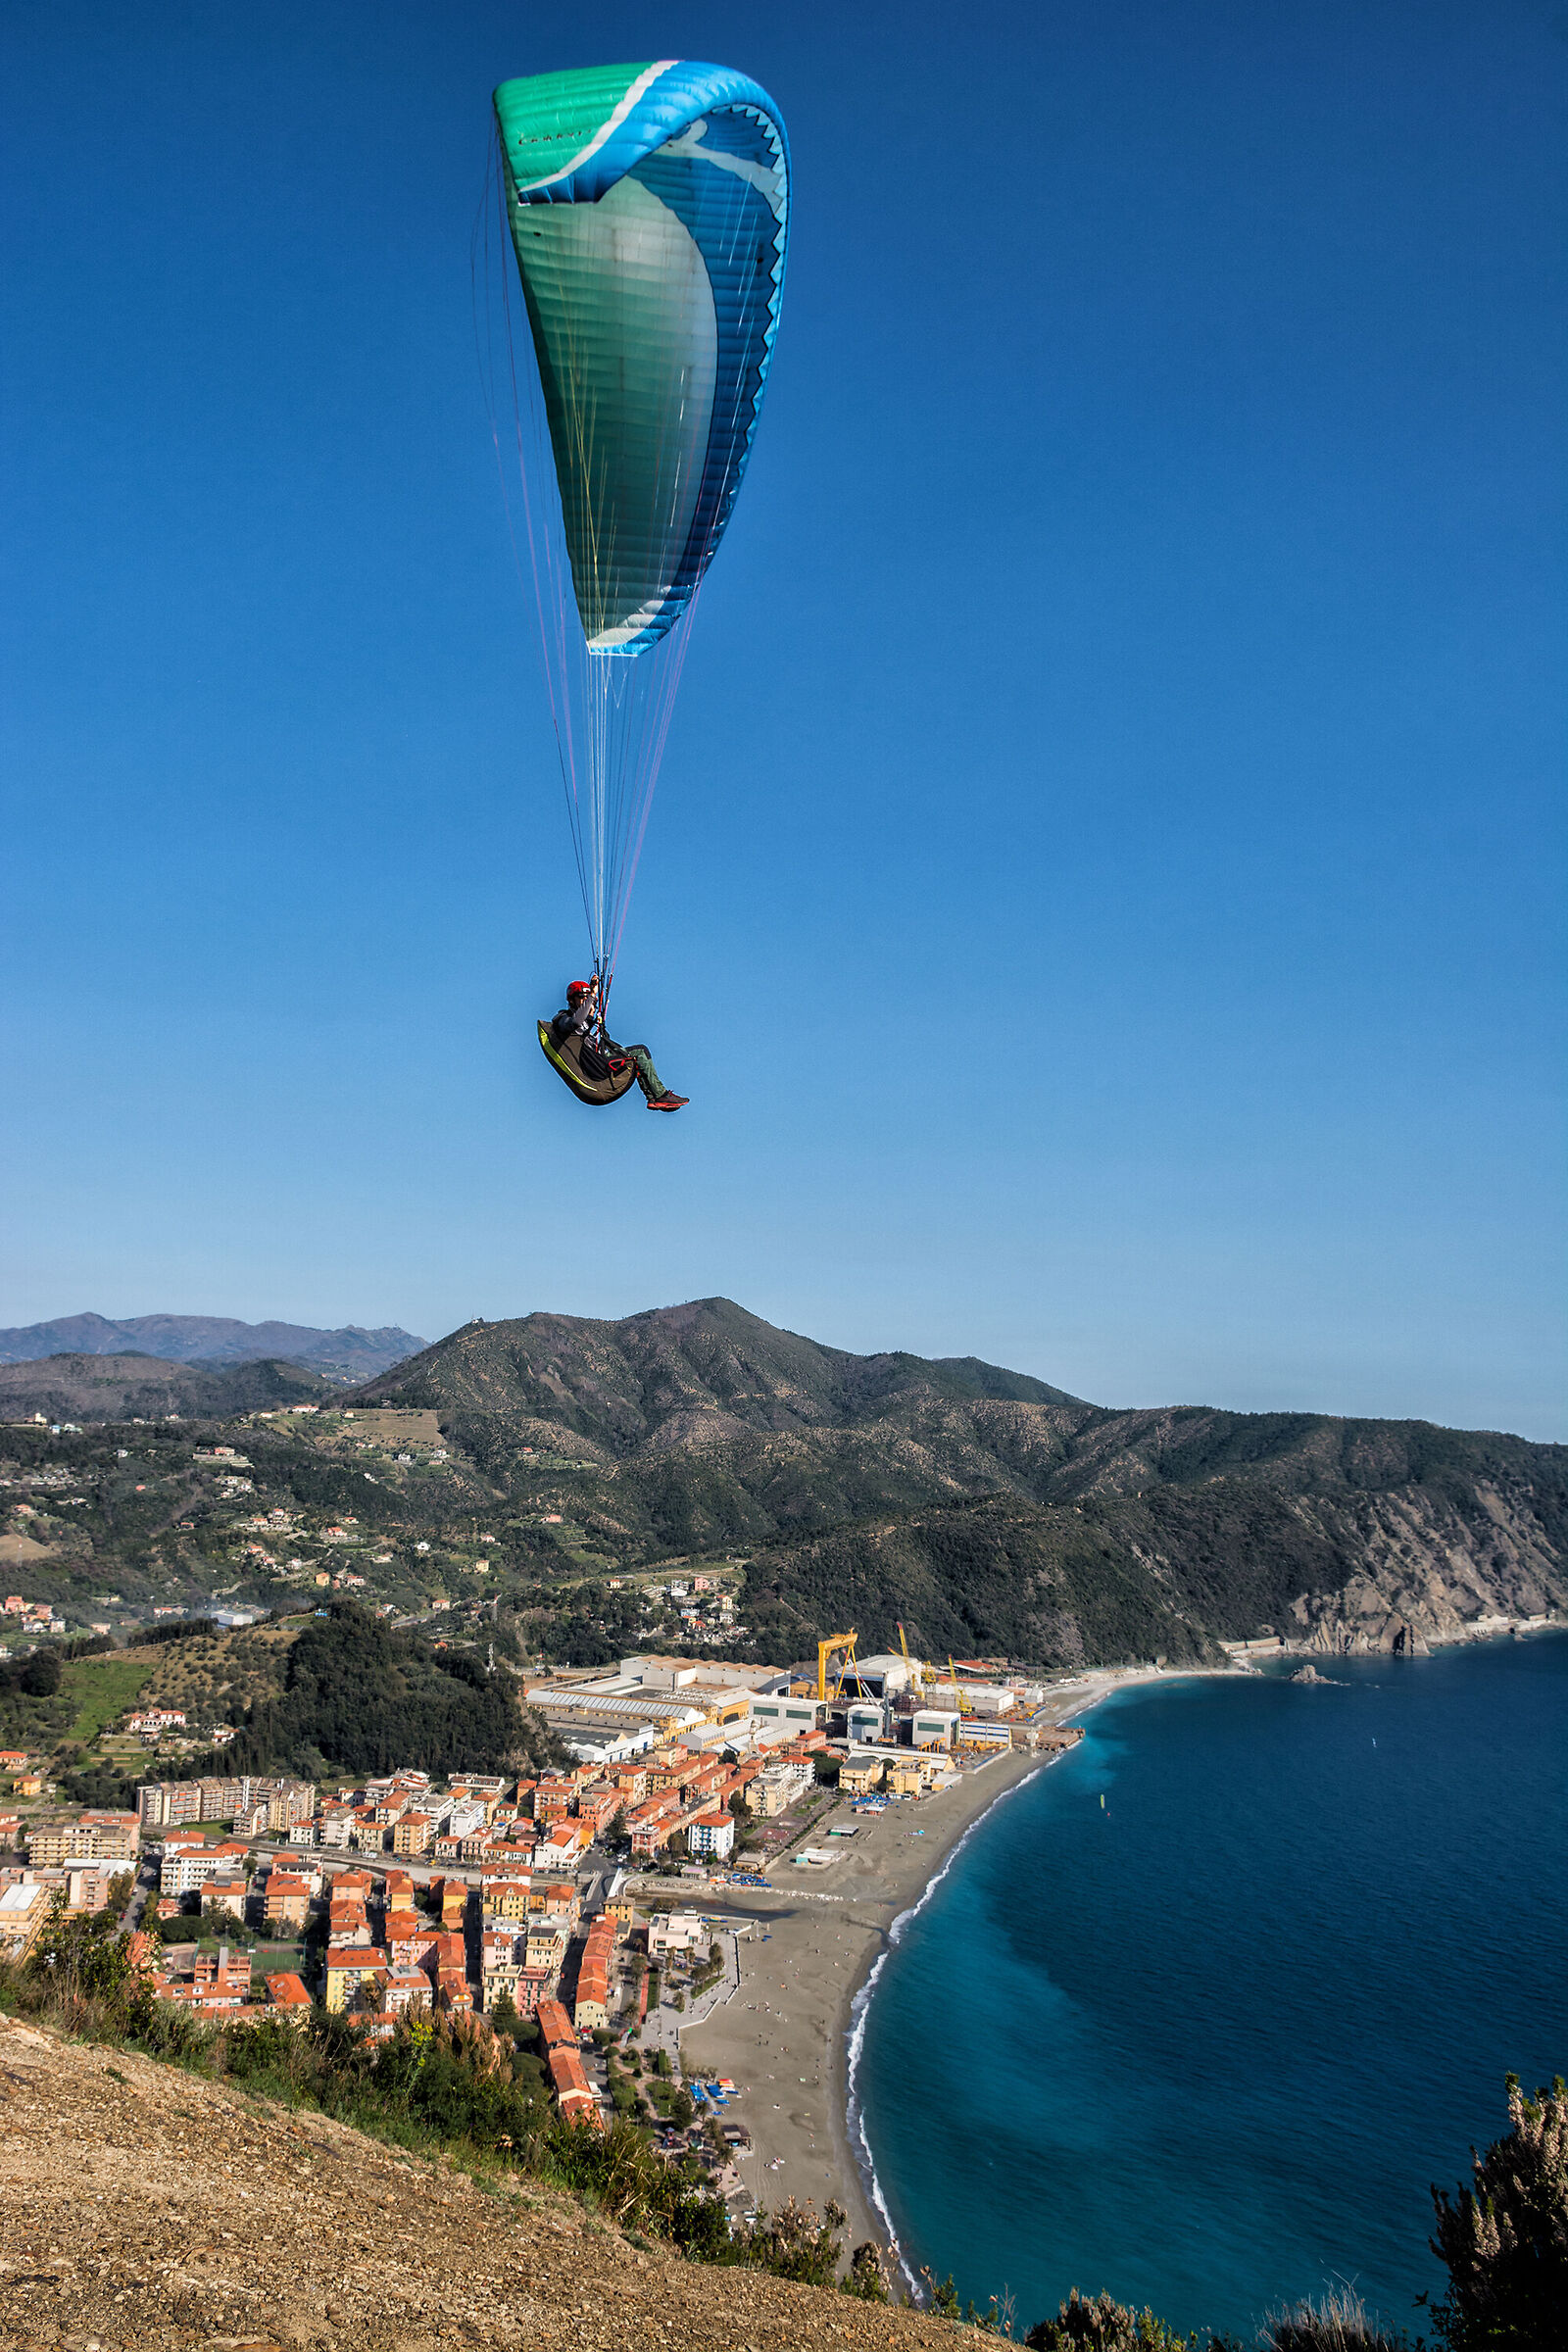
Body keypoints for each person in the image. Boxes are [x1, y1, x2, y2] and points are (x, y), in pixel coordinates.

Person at [550, 979, 688, 1110]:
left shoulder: (584, 1020)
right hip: (597, 1067)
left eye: (587, 997)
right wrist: (592, 997)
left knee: (637, 1057)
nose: (585, 1000)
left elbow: (585, 1029)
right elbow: (575, 1023)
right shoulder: (563, 1019)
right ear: (571, 1000)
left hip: (599, 1060)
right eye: (582, 997)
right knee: (640, 1052)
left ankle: (653, 1099)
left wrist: (593, 1009)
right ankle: (661, 1095)